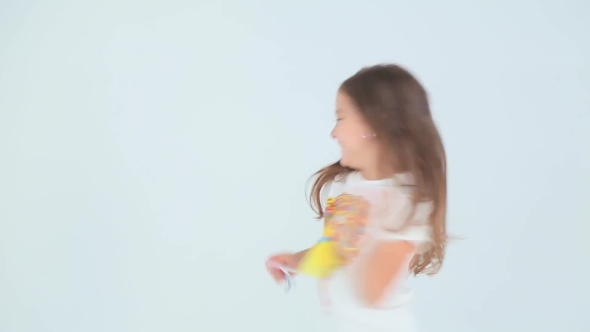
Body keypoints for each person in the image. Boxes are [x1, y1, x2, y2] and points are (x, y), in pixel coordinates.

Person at [266, 64, 448, 332]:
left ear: (374, 124)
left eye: (340, 118)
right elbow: (337, 250)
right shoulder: (351, 184)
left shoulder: (405, 201)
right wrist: (297, 261)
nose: (333, 133)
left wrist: (376, 239)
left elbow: (372, 292)